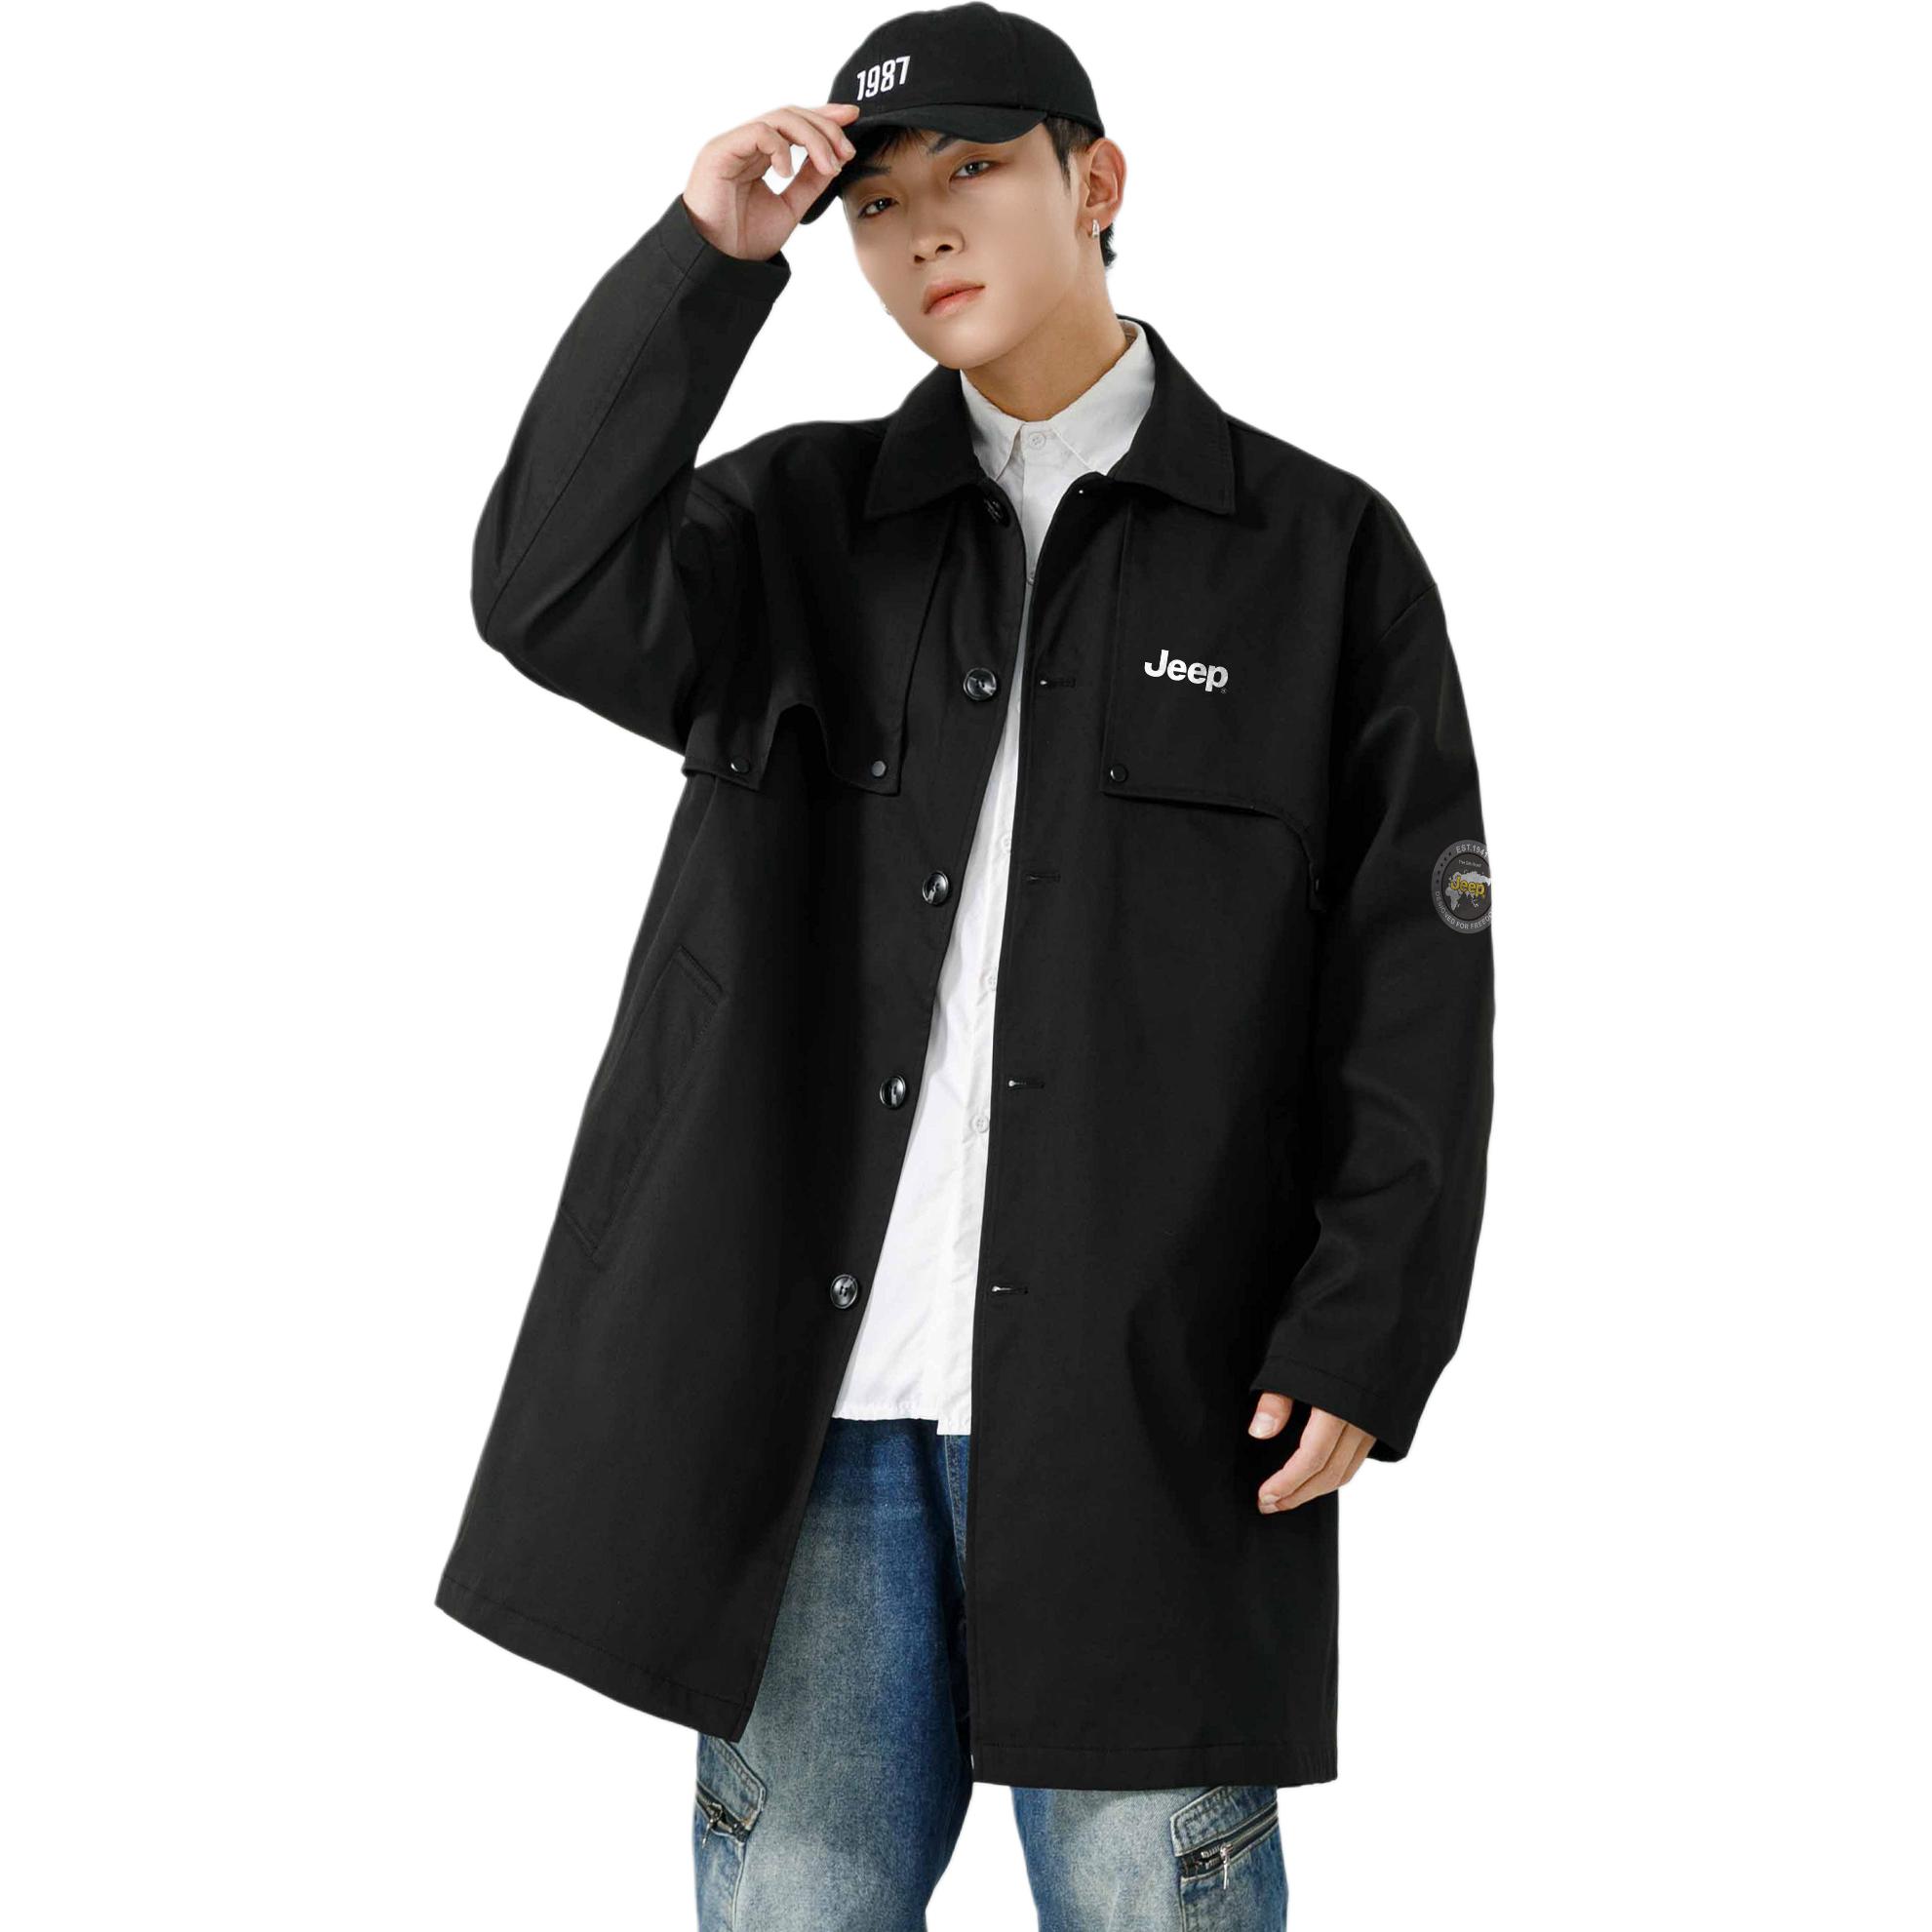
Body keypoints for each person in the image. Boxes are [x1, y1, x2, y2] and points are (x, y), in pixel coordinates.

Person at [436, 7, 1495, 1927]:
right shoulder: (791, 525)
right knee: (801, 1898)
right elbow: (541, 585)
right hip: (811, 1408)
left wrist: (1365, 1324)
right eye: (877, 203)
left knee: (1152, 1891)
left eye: (975, 172)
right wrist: (705, 261)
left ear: (1095, 183)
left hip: (1152, 1402)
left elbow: (1408, 979)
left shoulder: (1317, 555)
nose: (921, 226)